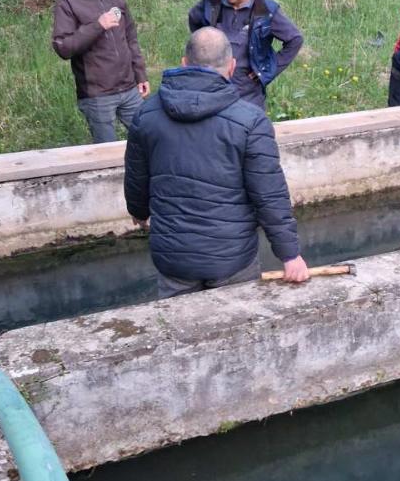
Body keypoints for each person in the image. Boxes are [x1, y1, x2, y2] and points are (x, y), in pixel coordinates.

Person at [124, 26, 310, 298]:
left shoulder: (146, 115)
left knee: (181, 334)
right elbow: (269, 195)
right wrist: (290, 254)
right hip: (232, 260)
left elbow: (136, 177)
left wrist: (139, 212)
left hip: (174, 259)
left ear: (184, 63)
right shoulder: (251, 121)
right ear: (232, 67)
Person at [52, 0, 150, 142]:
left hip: (129, 87)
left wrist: (140, 74)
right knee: (106, 155)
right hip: (97, 96)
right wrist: (98, 25)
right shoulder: (67, 1)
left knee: (149, 140)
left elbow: (130, 34)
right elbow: (63, 47)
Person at [187, 0, 303, 110]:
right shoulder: (211, 2)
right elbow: (194, 19)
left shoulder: (266, 10)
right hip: (213, 88)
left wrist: (267, 69)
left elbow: (295, 39)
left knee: (251, 131)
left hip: (249, 93)